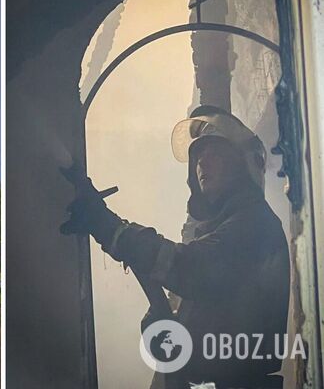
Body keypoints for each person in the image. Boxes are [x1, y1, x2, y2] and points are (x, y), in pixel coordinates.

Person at [63, 105, 290, 388]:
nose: (202, 163)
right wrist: (163, 326)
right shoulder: (218, 232)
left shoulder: (254, 224)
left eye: (215, 154)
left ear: (243, 165)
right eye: (198, 156)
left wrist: (110, 228)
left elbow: (189, 267)